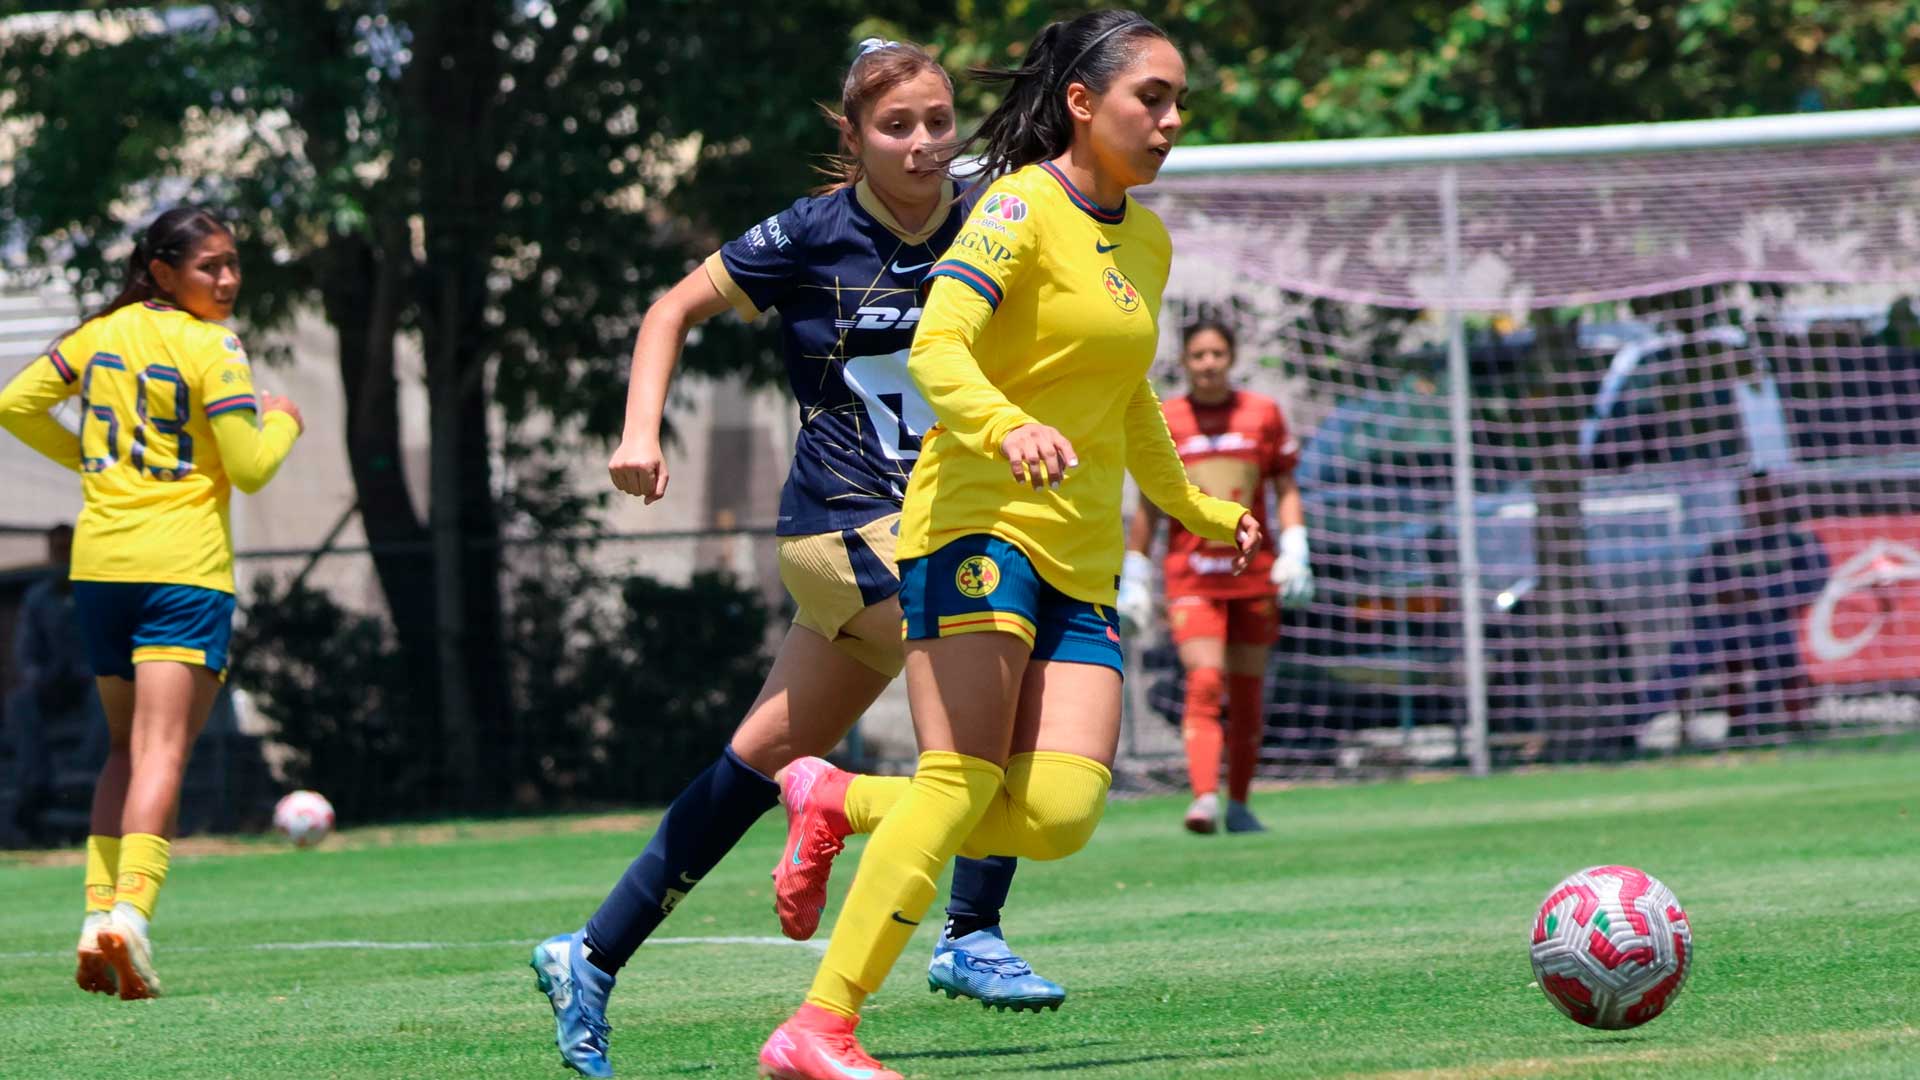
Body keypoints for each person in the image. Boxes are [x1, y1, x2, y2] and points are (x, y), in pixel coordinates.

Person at [527, 40, 1059, 1080]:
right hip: (841, 527)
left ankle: (590, 952)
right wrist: (641, 432)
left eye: (938, 122)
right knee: (996, 704)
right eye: (895, 126)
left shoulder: (990, 221)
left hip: (934, 526)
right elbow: (669, 309)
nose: (920, 143)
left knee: (750, 763)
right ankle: (966, 931)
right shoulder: (809, 235)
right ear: (854, 137)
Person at [756, 13, 1260, 1080]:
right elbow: (939, 345)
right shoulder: (1019, 207)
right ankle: (819, 1029)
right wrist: (1003, 426)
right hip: (974, 521)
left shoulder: (1147, 240)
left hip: (1078, 555)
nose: (1171, 121)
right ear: (1082, 102)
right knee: (958, 778)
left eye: (1178, 103)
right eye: (1151, 99)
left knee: (1063, 812)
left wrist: (1196, 509)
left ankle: (839, 797)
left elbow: (1127, 403)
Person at [0, 206, 305, 1000]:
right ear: (162, 270)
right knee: (163, 751)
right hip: (182, 569)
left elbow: (14, 404)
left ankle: (97, 914)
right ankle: (130, 918)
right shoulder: (216, 348)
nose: (228, 279)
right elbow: (252, 466)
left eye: (234, 263)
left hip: (102, 571)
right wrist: (285, 423)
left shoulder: (100, 334)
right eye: (210, 266)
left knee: (125, 749)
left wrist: (95, 463)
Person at [1116, 319, 1311, 834]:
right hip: (1192, 578)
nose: (1208, 363)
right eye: (1198, 354)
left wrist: (1295, 545)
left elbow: (1285, 485)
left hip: (1253, 576)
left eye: (1217, 353)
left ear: (1231, 357)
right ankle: (1203, 797)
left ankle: (1241, 803)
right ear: (1185, 361)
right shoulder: (1168, 417)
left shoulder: (1262, 413)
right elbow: (1152, 502)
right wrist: (1134, 572)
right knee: (1204, 681)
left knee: (1248, 693)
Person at [7, 525, 106, 842]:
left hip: (90, 680)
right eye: (58, 550)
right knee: (19, 701)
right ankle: (35, 780)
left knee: (105, 696)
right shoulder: (38, 599)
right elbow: (25, 650)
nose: (63, 557)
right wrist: (37, 676)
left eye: (68, 549)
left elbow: (109, 642)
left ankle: (86, 774)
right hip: (52, 682)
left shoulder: (95, 591)